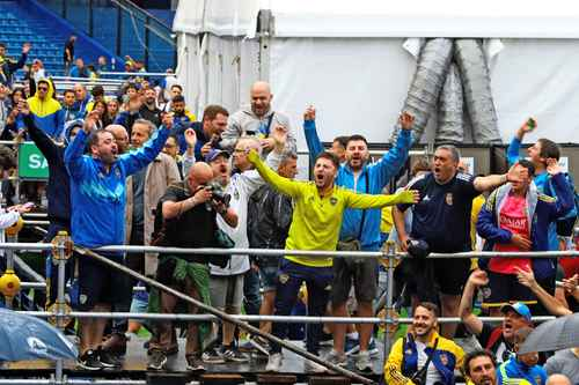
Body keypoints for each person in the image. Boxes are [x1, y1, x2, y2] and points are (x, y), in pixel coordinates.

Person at [246, 148, 419, 372]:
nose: (320, 169)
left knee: (317, 313)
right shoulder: (301, 189)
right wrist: (258, 163)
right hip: (294, 261)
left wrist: (397, 198)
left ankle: (312, 355)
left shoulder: (343, 195)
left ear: (335, 172)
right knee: (283, 308)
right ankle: (275, 354)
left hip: (323, 265)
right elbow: (275, 180)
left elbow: (371, 200)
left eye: (326, 166)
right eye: (318, 166)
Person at [304, 107, 414, 370]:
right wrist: (309, 125)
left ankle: (364, 351)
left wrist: (406, 132)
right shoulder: (335, 173)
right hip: (339, 248)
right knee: (338, 301)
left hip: (368, 248)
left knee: (366, 302)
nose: (356, 152)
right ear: (345, 153)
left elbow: (398, 156)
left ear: (367, 153)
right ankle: (339, 351)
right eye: (352, 148)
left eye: (360, 148)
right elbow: (316, 151)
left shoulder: (377, 173)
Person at [65, 111, 171, 370]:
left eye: (115, 141)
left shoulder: (121, 165)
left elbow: (146, 153)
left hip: (115, 249)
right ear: (94, 148)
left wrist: (165, 130)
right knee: (87, 305)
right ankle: (84, 351)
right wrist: (84, 131)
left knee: (105, 304)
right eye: (106, 141)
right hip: (90, 250)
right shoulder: (83, 168)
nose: (113, 144)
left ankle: (97, 349)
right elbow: (69, 157)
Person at [393, 144, 524, 338]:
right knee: (419, 302)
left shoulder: (462, 182)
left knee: (451, 302)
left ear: (454, 164)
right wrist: (403, 236)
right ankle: (416, 345)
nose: (437, 162)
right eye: (435, 158)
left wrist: (505, 177)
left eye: (442, 159)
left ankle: (446, 346)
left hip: (454, 256)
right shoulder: (420, 182)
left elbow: (482, 183)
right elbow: (397, 207)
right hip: (423, 255)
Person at [203, 131, 287, 364]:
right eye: (217, 160)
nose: (223, 163)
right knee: (213, 307)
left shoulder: (242, 182)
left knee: (234, 306)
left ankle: (229, 345)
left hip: (239, 256)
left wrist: (278, 149)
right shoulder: (204, 187)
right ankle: (209, 346)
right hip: (215, 257)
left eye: (226, 159)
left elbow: (265, 171)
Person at [147, 162, 238, 371]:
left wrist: (221, 209)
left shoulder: (212, 191)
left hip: (199, 263)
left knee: (197, 312)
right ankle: (159, 351)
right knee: (164, 310)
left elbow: (234, 221)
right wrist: (194, 200)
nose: (206, 188)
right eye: (202, 184)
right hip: (172, 259)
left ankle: (193, 355)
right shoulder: (176, 189)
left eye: (209, 183)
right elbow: (167, 211)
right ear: (191, 180)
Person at [476, 159, 574, 313]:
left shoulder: (541, 201)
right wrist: (509, 237)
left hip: (526, 271)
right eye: (512, 174)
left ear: (529, 179)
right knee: (495, 314)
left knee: (522, 314)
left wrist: (558, 177)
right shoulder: (497, 196)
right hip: (496, 266)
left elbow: (566, 206)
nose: (514, 179)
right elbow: (482, 225)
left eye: (520, 175)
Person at [247, 151, 297, 348]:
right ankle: (264, 337)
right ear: (281, 168)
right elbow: (283, 221)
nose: (296, 170)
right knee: (275, 297)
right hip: (274, 250)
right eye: (293, 167)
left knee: (268, 295)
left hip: (260, 250)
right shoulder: (281, 190)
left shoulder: (260, 189)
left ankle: (262, 335)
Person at [460, 270, 534, 364]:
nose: (508, 319)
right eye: (506, 315)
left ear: (529, 325)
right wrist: (470, 284)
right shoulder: (494, 335)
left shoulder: (536, 346)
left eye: (515, 316)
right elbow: (466, 316)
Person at [384, 302, 465, 385]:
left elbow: (469, 369)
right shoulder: (402, 344)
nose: (419, 321)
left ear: (435, 322)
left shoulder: (450, 346)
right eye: (416, 317)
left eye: (425, 318)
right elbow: (391, 371)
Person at [221, 81, 297, 154]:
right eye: (255, 98)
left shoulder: (282, 119)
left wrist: (276, 144)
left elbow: (293, 147)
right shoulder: (236, 118)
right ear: (250, 97)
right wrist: (241, 143)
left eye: (262, 98)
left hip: (274, 166)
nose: (258, 102)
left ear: (270, 97)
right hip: (245, 167)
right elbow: (223, 144)